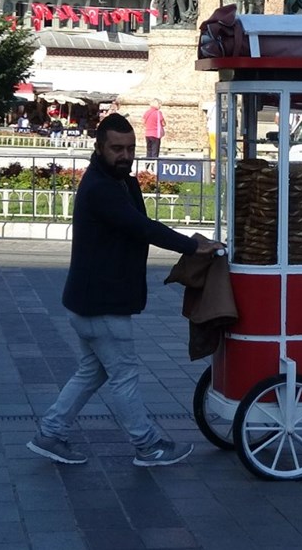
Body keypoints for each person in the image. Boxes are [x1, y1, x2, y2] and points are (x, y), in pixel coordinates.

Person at [27, 113, 223, 468]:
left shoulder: (117, 182)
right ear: (99, 147)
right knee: (124, 376)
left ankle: (50, 433)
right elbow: (142, 227)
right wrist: (193, 246)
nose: (125, 155)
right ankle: (147, 445)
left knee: (93, 371)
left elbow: (140, 224)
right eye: (117, 148)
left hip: (89, 301)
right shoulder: (101, 188)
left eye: (131, 148)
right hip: (101, 304)